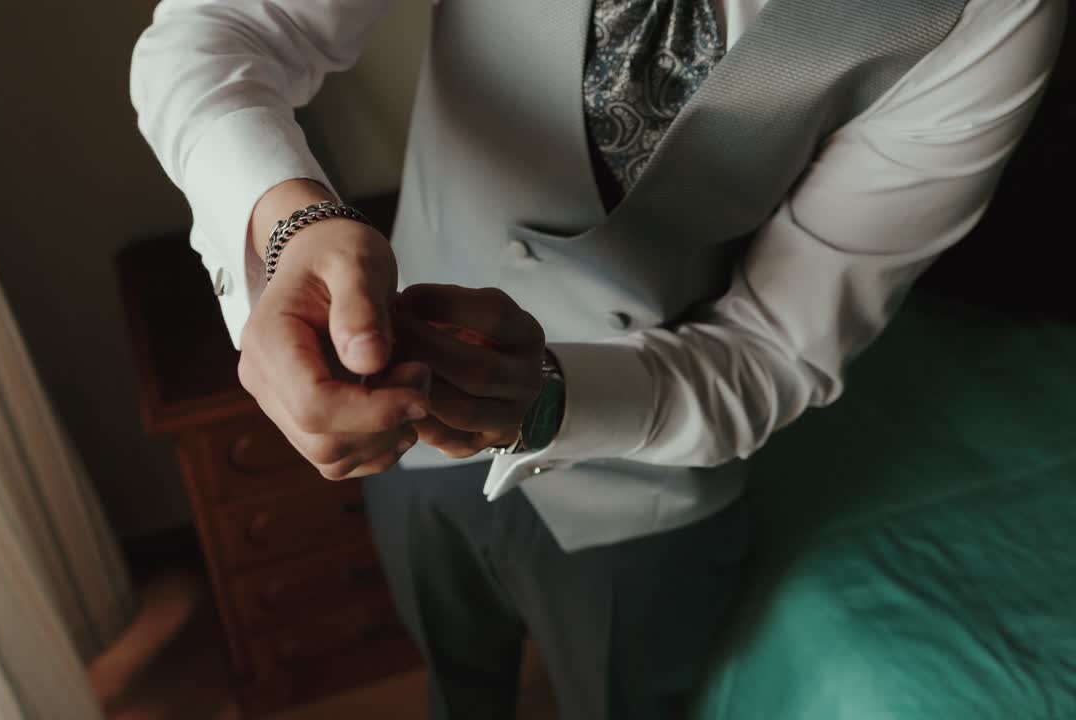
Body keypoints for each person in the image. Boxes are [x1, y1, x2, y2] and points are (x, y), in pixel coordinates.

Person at [130, 1, 1064, 717]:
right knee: (453, 683)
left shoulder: (989, 16)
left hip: (646, 486)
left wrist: (552, 403)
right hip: (394, 406)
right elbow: (223, 28)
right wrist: (290, 222)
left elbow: (779, 347)